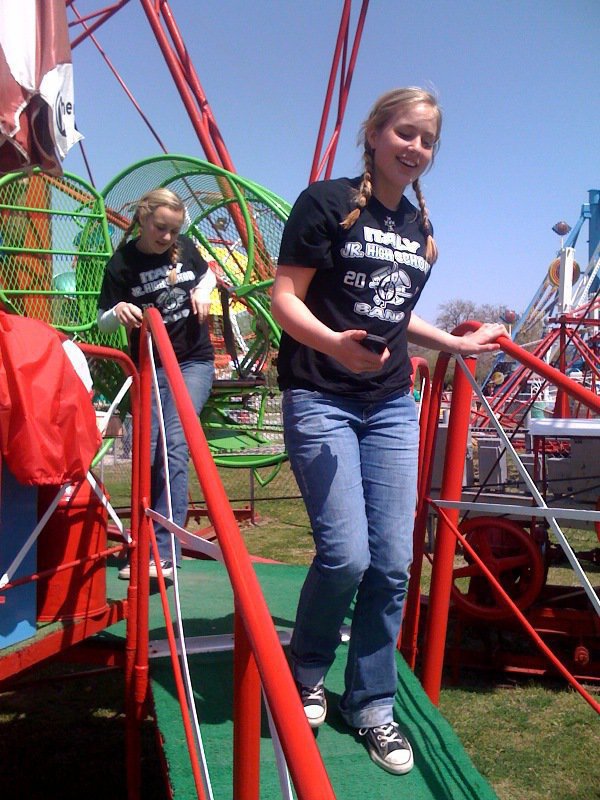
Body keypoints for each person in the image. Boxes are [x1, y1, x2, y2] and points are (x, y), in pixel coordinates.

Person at [271, 87, 506, 775]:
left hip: (390, 404)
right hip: (320, 394)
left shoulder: (418, 234)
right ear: (374, 134)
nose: (416, 149)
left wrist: (455, 347)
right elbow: (284, 296)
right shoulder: (324, 201)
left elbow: (395, 318)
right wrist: (333, 347)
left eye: (427, 141)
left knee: (393, 564)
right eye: (405, 133)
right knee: (346, 555)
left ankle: (372, 703)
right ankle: (309, 666)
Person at [97, 188, 216, 580]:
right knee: (147, 454)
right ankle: (144, 545)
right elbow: (103, 321)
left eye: (173, 230)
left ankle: (165, 554)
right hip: (150, 366)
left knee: (174, 446)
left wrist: (202, 288)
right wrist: (118, 311)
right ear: (143, 218)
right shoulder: (123, 263)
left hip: (192, 362)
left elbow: (210, 274)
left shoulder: (186, 248)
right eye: (160, 228)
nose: (167, 237)